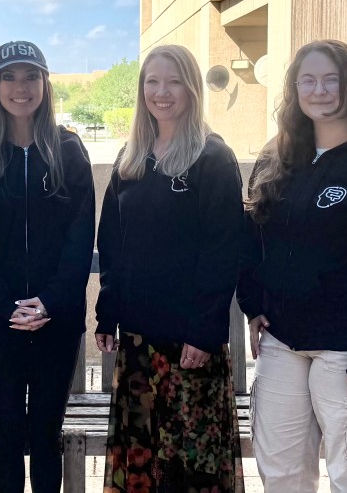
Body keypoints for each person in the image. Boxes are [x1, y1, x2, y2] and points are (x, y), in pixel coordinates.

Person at [237, 39, 347, 492]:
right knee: (282, 476)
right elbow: (253, 237)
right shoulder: (278, 158)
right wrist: (253, 302)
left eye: (330, 80)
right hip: (281, 343)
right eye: (308, 81)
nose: (319, 91)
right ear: (294, 90)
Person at [95, 44, 244, 493]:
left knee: (188, 466)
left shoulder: (212, 158)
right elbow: (113, 244)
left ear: (192, 88)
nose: (162, 92)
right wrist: (107, 313)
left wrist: (204, 330)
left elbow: (223, 250)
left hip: (189, 345)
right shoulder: (131, 158)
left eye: (174, 81)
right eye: (153, 82)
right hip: (138, 342)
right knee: (141, 462)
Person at [0, 40, 94, 493]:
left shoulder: (68, 150)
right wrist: (3, 304)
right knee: (8, 435)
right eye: (9, 77)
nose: (21, 87)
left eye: (31, 76)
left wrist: (49, 301)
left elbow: (79, 239)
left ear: (45, 84)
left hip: (56, 320)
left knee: (47, 435)